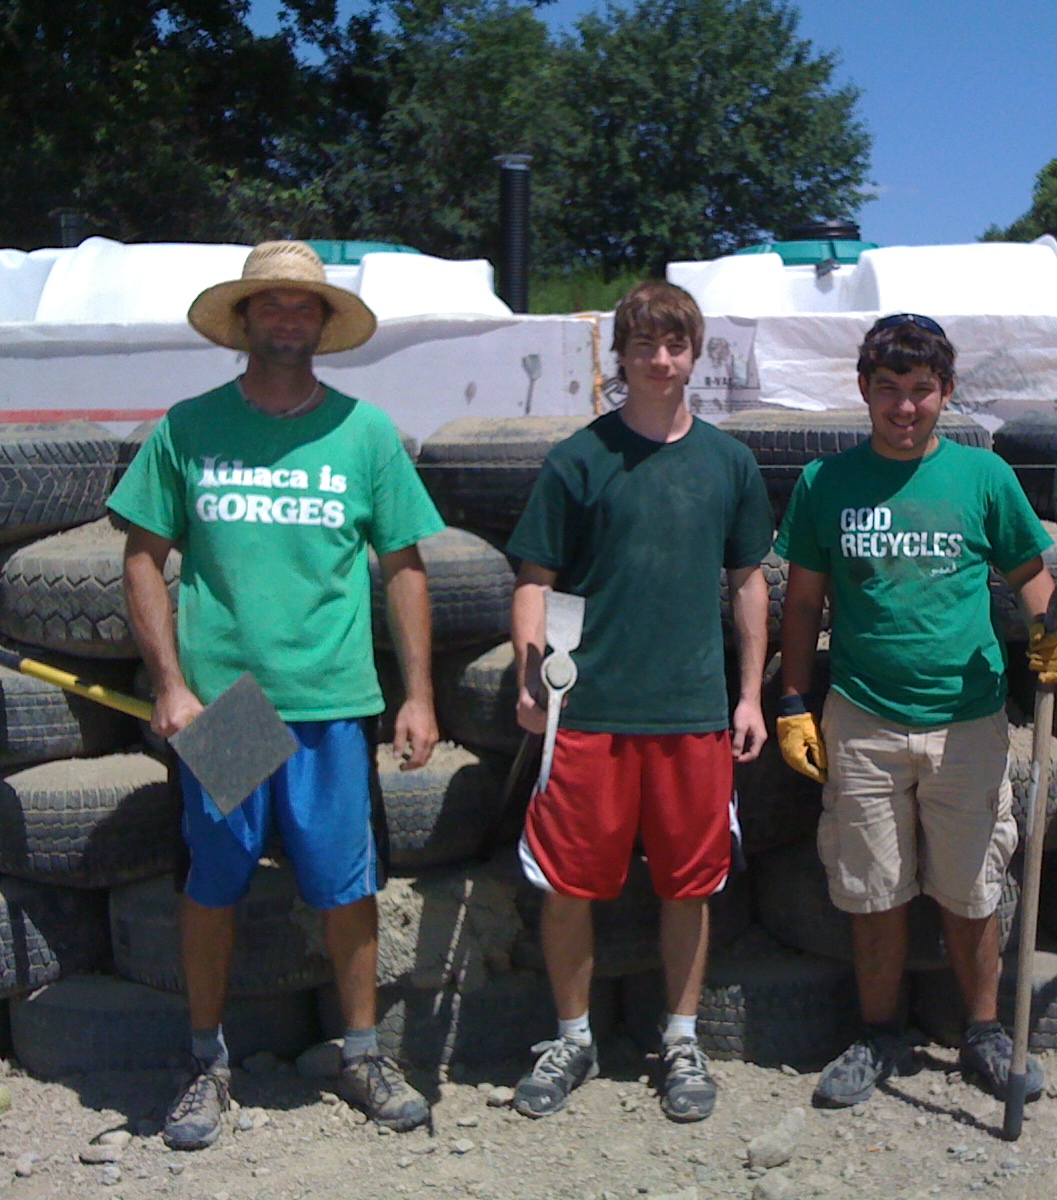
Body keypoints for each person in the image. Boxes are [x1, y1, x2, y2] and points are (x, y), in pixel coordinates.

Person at [109, 240, 444, 1149]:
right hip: (230, 708)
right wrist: (172, 684)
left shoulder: (363, 432)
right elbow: (142, 556)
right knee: (213, 885)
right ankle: (205, 1063)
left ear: (324, 326)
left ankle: (363, 1052)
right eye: (273, 306)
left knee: (346, 886)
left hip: (334, 701)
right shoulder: (189, 428)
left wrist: (417, 695)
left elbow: (405, 566)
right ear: (246, 320)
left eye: (305, 307)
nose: (289, 319)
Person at [773, 313, 1057, 1108]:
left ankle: (982, 1032)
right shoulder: (824, 485)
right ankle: (878, 1035)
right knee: (874, 889)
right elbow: (802, 606)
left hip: (969, 719)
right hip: (862, 718)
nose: (904, 408)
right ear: (864, 392)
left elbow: (1030, 575)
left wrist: (1053, 633)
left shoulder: (983, 479)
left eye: (920, 392)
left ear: (945, 394)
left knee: (973, 889)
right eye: (888, 392)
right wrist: (795, 702)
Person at [505, 281, 772, 1123]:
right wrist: (529, 678)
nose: (661, 360)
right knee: (569, 885)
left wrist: (751, 696)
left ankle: (683, 1038)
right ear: (619, 356)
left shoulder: (728, 462)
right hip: (588, 715)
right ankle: (573, 1038)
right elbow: (536, 581)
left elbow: (749, 586)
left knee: (688, 885)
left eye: (676, 345)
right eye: (645, 345)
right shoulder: (579, 459)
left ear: (695, 354)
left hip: (693, 714)